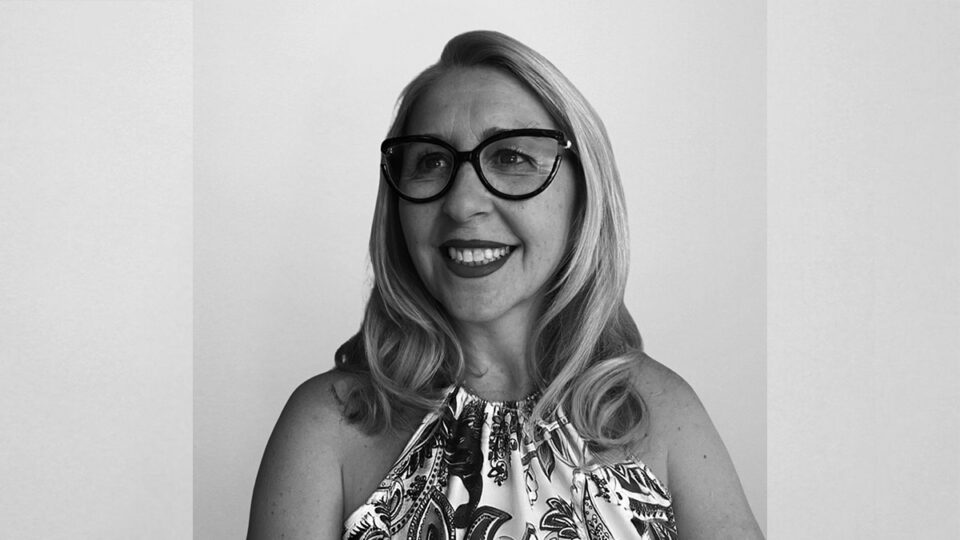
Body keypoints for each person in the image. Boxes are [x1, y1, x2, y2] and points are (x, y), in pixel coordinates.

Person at [248, 30, 763, 540]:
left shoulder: (662, 415)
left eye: (511, 157)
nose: (462, 203)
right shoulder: (328, 429)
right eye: (431, 161)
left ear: (584, 191)